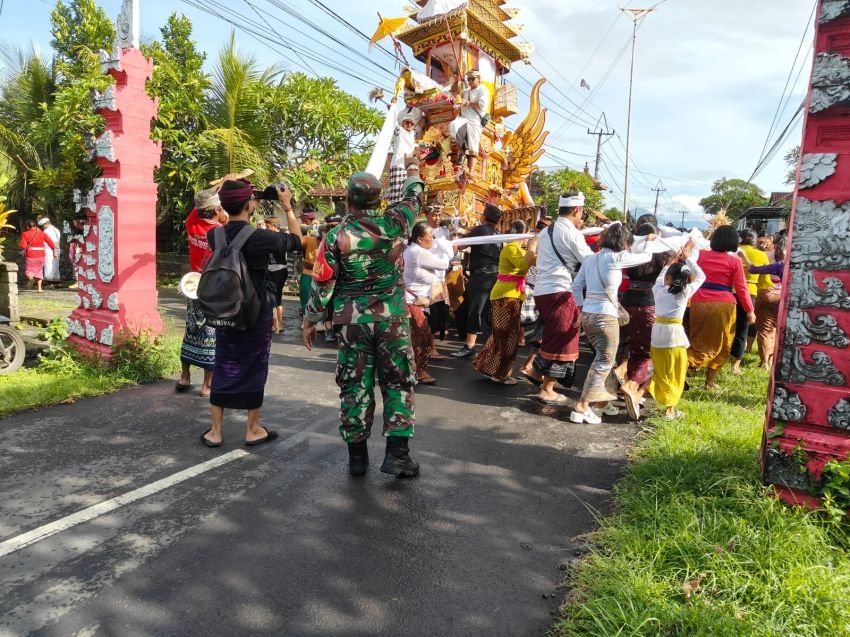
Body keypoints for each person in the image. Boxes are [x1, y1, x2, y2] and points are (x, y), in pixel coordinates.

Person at [303, 159, 424, 478]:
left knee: (355, 384)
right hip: (393, 320)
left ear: (348, 200)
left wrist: (310, 320)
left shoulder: (335, 237)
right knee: (398, 382)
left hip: (352, 320)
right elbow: (415, 195)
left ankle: (357, 457)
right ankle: (398, 455)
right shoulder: (397, 222)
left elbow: (324, 284)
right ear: (379, 200)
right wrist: (413, 169)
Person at [200, 180, 303, 448]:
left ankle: (215, 431)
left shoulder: (215, 236)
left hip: (225, 309)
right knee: (255, 365)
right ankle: (253, 429)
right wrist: (287, 207)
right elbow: (296, 241)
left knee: (223, 362)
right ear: (250, 204)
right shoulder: (260, 237)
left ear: (223, 206)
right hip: (255, 311)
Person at [570, 223, 654, 424]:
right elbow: (647, 257)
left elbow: (575, 286)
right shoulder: (617, 258)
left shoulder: (590, 259)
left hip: (589, 315)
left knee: (601, 360)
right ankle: (582, 406)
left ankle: (600, 402)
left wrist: (582, 308)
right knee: (604, 362)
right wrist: (649, 242)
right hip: (606, 316)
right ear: (623, 242)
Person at [622, 240, 706, 421]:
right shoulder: (684, 293)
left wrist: (670, 262)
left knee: (659, 370)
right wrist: (689, 259)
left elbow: (661, 278)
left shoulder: (658, 289)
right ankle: (669, 410)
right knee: (676, 372)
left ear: (668, 278)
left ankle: (637, 394)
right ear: (685, 280)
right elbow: (701, 277)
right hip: (674, 336)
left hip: (657, 335)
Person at [523, 193, 593, 404]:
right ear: (577, 210)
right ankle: (547, 388)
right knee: (565, 340)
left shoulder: (546, 231)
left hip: (543, 291)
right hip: (560, 290)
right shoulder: (571, 233)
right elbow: (589, 260)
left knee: (553, 336)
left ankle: (537, 373)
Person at [687, 225, 755, 389]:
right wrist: (750, 310)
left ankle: (684, 369)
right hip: (723, 305)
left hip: (698, 301)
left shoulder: (701, 255)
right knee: (723, 343)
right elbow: (741, 288)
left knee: (696, 340)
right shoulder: (734, 261)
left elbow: (690, 273)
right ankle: (709, 382)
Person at [472, 220, 538, 384]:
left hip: (511, 294)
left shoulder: (516, 249)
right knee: (506, 337)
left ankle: (490, 368)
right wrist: (533, 246)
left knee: (503, 335)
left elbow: (534, 260)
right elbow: (523, 267)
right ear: (523, 233)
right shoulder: (511, 248)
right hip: (506, 296)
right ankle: (500, 373)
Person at [178, 188, 223, 397]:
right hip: (213, 287)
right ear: (215, 209)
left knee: (191, 329)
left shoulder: (191, 223)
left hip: (193, 284)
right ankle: (207, 385)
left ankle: (185, 377)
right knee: (210, 334)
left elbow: (197, 208)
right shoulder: (221, 231)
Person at [615, 223, 668, 397]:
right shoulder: (660, 254)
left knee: (631, 346)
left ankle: (623, 374)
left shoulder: (631, 251)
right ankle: (631, 384)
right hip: (649, 305)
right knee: (648, 351)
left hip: (627, 302)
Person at [403, 221, 452, 385]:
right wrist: (445, 246)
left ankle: (413, 370)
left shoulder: (413, 250)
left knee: (416, 338)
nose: (433, 239)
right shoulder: (417, 252)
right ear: (419, 239)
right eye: (430, 236)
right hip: (413, 302)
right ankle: (419, 371)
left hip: (415, 302)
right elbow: (445, 263)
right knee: (422, 338)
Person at [452, 203, 502, 358]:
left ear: (484, 216)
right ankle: (477, 344)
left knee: (475, 310)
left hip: (482, 276)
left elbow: (460, 246)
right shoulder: (497, 233)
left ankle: (470, 346)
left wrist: (454, 235)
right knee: (471, 309)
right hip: (493, 275)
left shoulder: (481, 230)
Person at [739, 236, 786, 369]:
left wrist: (743, 256)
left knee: (765, 329)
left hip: (768, 293)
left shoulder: (779, 264)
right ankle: (772, 359)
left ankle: (765, 361)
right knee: (778, 330)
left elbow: (753, 269)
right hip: (788, 301)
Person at [730, 228, 771, 374]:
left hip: (729, 292)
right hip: (750, 293)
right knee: (742, 330)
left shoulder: (732, 253)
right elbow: (765, 280)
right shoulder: (761, 255)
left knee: (727, 328)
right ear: (754, 240)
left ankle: (718, 358)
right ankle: (735, 366)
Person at [449, 69, 490, 173]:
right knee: (453, 126)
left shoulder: (483, 90)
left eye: (472, 79)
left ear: (478, 79)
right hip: (463, 119)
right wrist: (457, 106)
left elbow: (482, 104)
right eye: (468, 79)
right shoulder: (465, 92)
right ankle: (462, 153)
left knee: (472, 147)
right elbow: (459, 103)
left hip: (475, 121)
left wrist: (467, 103)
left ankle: (471, 172)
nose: (470, 81)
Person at [425, 205, 452, 352]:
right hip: (427, 278)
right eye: (434, 215)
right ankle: (431, 347)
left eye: (439, 215)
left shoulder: (444, 231)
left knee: (440, 312)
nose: (437, 218)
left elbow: (451, 252)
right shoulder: (421, 230)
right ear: (426, 214)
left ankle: (432, 345)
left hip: (441, 277)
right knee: (430, 314)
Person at [386, 106, 418, 205]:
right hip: (398, 166)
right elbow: (394, 124)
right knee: (397, 196)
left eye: (411, 123)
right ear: (402, 123)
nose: (409, 124)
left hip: (408, 168)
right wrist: (393, 109)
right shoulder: (399, 130)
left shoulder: (412, 134)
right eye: (407, 122)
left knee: (406, 193)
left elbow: (414, 145)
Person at [264, 217, 288, 334]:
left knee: (274, 297)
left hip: (277, 269)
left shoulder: (278, 238)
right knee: (277, 297)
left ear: (274, 226)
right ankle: (278, 323)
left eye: (268, 227)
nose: (266, 229)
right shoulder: (283, 237)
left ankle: (276, 324)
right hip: (278, 269)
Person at [18, 220, 56, 293]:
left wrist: (21, 247)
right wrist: (54, 251)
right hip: (41, 255)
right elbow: (50, 242)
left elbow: (23, 245)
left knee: (29, 269)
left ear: (27, 227)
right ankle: (39, 288)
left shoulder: (25, 234)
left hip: (31, 254)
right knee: (39, 271)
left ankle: (31, 279)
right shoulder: (42, 233)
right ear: (35, 226)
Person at [299, 209, 320, 318]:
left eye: (303, 219)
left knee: (309, 295)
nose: (302, 221)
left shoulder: (309, 236)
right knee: (307, 294)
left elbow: (299, 243)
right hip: (310, 269)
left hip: (315, 270)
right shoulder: (307, 235)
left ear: (307, 219)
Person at [38, 217, 61, 283]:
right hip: (57, 248)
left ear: (45, 224)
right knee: (56, 264)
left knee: (48, 264)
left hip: (49, 249)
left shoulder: (46, 231)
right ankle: (56, 279)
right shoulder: (56, 230)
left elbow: (45, 242)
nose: (43, 227)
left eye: (43, 225)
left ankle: (49, 280)